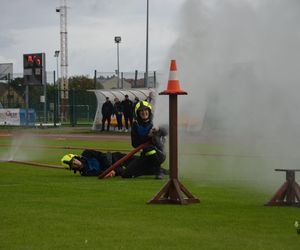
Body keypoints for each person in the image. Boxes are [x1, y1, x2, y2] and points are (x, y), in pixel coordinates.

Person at [121, 100, 168, 179]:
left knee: (149, 149)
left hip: (160, 153)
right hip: (145, 155)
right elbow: (135, 144)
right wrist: (148, 136)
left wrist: (158, 129)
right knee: (126, 174)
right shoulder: (136, 125)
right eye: (141, 111)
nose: (144, 112)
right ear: (138, 113)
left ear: (149, 111)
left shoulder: (156, 121)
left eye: (146, 110)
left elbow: (167, 130)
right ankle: (158, 170)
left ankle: (158, 170)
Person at [61, 149, 135, 177]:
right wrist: (112, 172)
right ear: (73, 169)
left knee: (136, 160)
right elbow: (100, 173)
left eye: (74, 160)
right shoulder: (86, 173)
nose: (76, 163)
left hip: (114, 158)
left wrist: (109, 168)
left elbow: (101, 156)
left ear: (76, 157)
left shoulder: (87, 153)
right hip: (115, 170)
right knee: (131, 171)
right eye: (73, 165)